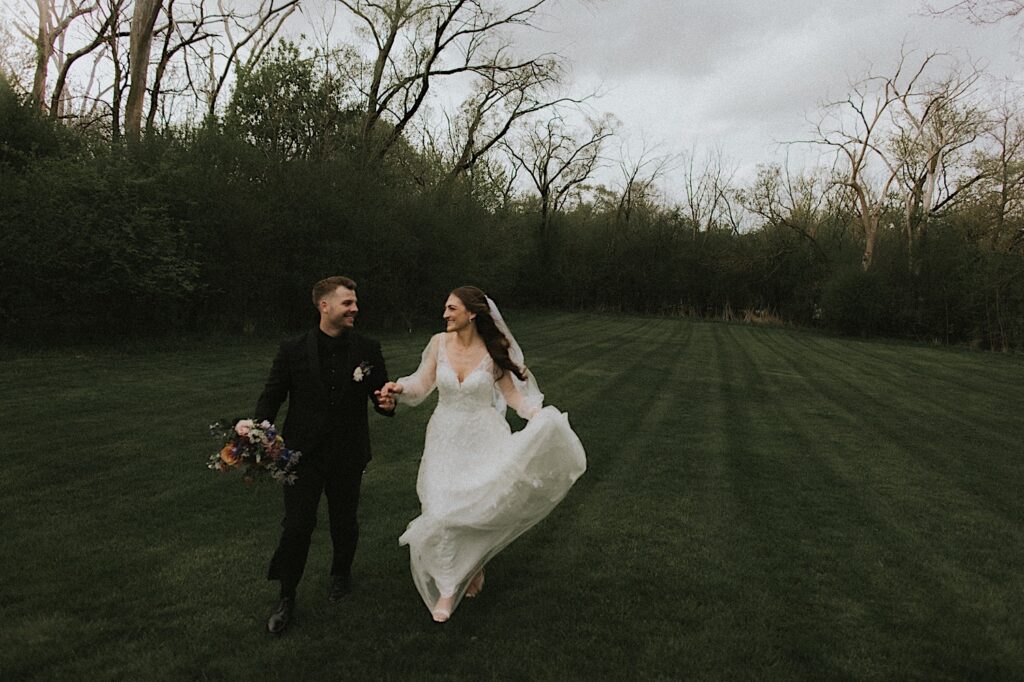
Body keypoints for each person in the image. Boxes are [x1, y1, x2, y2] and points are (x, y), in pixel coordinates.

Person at [379, 286, 586, 622]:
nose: (445, 315)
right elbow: (421, 383)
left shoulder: (493, 350)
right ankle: (450, 584)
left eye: (451, 308)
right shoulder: (438, 344)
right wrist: (400, 388)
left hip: (482, 436)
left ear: (472, 313)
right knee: (441, 508)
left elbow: (515, 397)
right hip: (444, 436)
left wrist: (538, 416)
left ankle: (463, 573)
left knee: (479, 504)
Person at [255, 276, 397, 634]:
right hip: (300, 454)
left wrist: (386, 403)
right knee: (297, 525)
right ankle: (286, 595)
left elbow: (380, 397)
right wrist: (258, 430)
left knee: (344, 521)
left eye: (355, 302)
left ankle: (340, 573)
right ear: (324, 306)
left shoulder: (368, 347)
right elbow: (273, 395)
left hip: (348, 452)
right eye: (347, 303)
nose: (355, 308)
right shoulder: (293, 349)